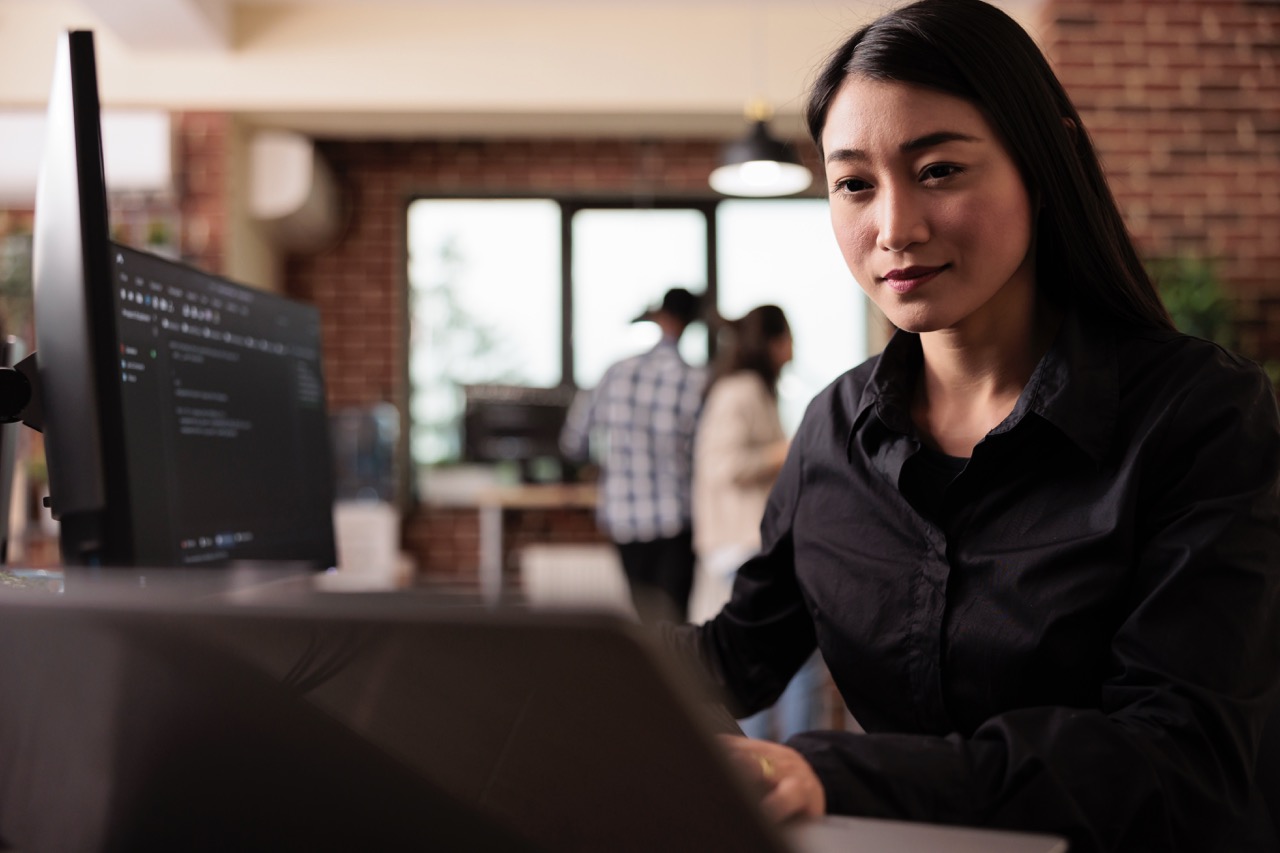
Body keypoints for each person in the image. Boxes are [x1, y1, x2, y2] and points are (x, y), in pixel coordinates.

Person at [665, 1, 1280, 851]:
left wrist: (837, 773)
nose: (894, 228)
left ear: (1044, 159)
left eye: (940, 170)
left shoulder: (1200, 413)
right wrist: (550, 671)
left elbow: (1180, 755)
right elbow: (740, 654)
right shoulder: (833, 429)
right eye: (854, 184)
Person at [689, 304, 826, 742]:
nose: (793, 349)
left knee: (766, 666)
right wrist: (788, 450)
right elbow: (721, 466)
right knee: (783, 663)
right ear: (771, 342)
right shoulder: (742, 390)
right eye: (788, 338)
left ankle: (772, 766)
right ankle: (787, 764)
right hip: (741, 544)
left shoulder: (752, 390)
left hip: (746, 543)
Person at [560, 286, 706, 623]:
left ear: (659, 317)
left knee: (648, 624)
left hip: (625, 516)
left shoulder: (617, 371)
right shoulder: (698, 380)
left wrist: (601, 464)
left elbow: (573, 441)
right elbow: (704, 454)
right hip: (676, 517)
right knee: (675, 626)